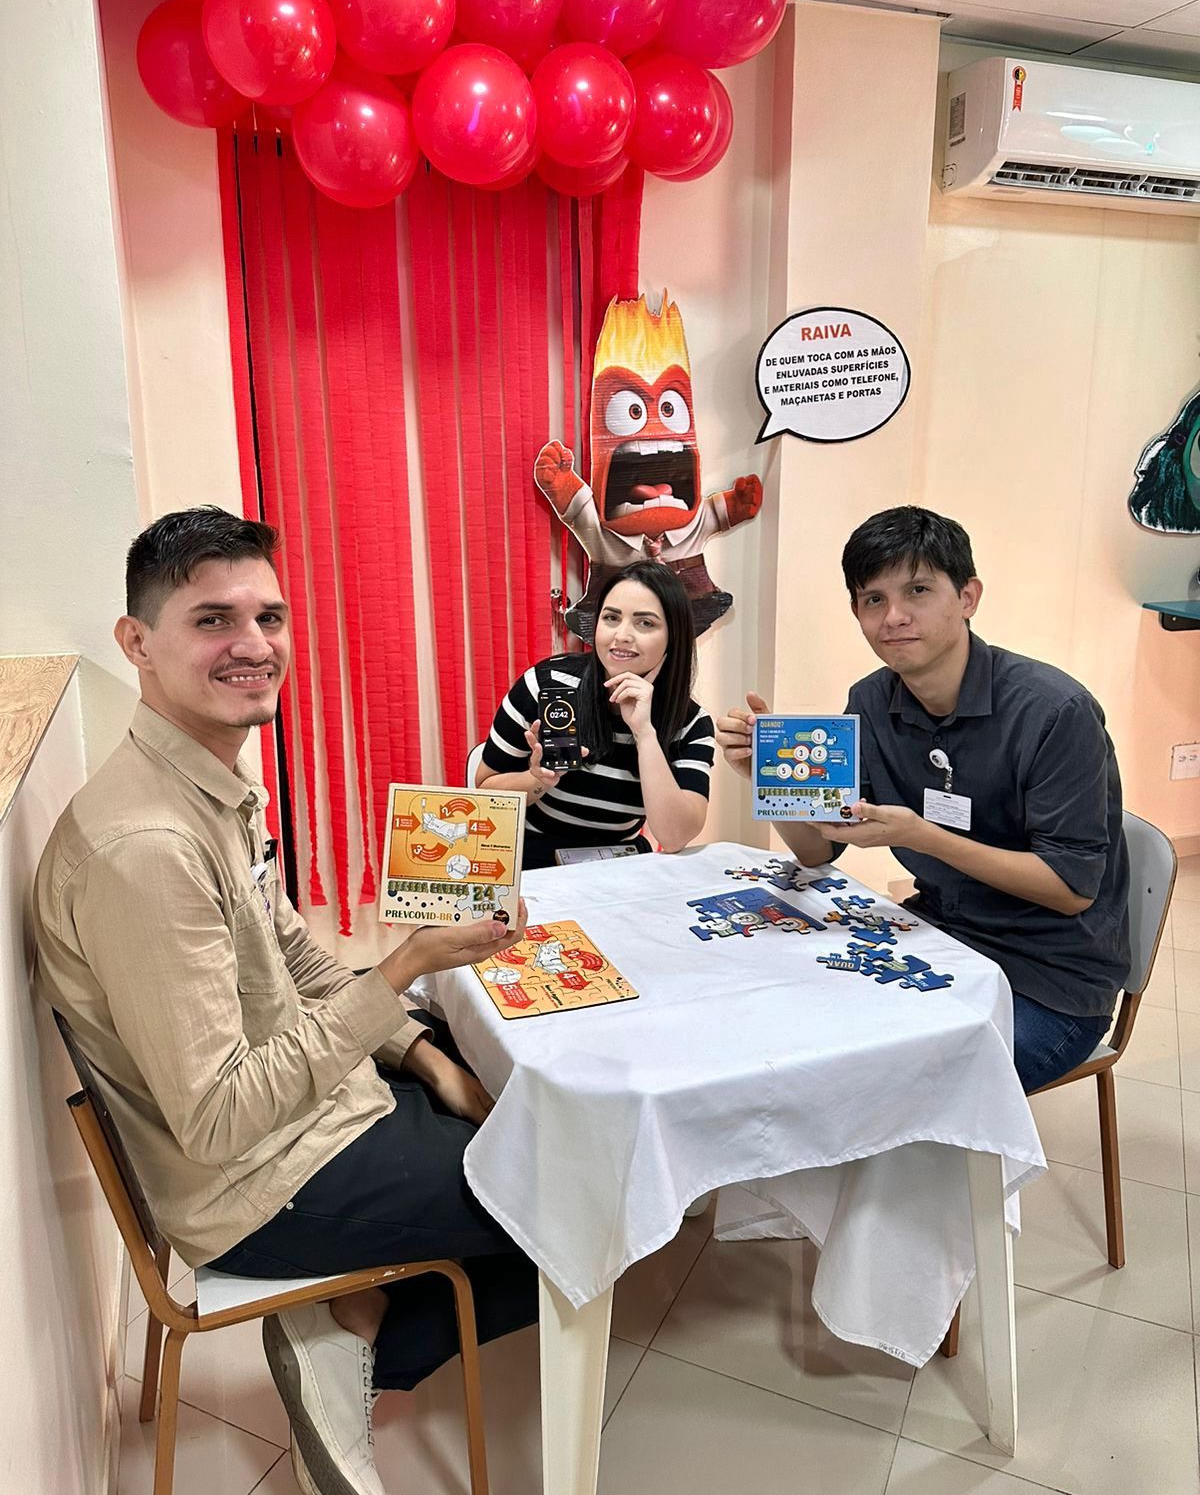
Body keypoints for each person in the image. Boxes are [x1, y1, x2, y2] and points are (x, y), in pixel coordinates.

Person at [34, 507, 538, 1495]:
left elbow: (295, 957)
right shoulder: (149, 848)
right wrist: (400, 968)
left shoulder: (210, 784)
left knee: (492, 1075)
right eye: (213, 620)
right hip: (256, 1183)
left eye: (269, 617)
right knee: (564, 1189)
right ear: (137, 641)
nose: (254, 644)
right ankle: (350, 1325)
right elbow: (219, 1117)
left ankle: (348, 1317)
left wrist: (425, 1056)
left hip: (308, 1112)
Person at [716, 505, 1131, 1094]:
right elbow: (817, 853)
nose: (894, 617)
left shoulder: (1054, 712)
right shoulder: (870, 701)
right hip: (937, 935)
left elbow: (1071, 889)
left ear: (967, 597)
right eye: (873, 599)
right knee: (792, 1031)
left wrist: (923, 837)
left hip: (1050, 980)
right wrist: (770, 783)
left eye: (917, 590)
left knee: (878, 1085)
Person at [478, 560, 715, 868]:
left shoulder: (691, 722)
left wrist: (644, 733)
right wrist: (537, 779)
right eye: (611, 618)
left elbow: (673, 837)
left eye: (645, 623)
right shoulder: (548, 685)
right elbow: (484, 791)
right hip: (533, 857)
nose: (622, 635)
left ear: (674, 636)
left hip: (620, 861)